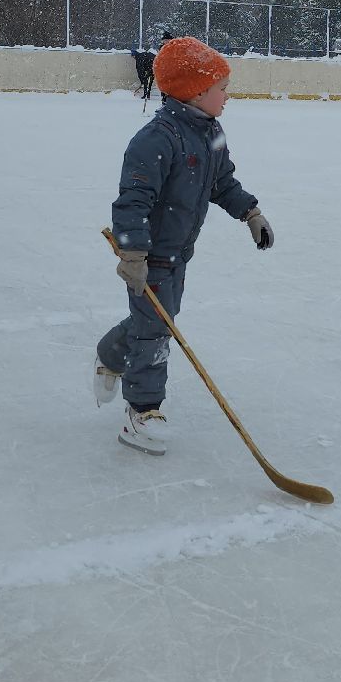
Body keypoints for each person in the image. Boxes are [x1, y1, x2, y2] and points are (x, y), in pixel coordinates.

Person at [94, 36, 273, 454]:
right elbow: (133, 201)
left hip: (178, 254)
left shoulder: (210, 132)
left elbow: (222, 182)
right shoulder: (157, 139)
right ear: (196, 91)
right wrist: (133, 253)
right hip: (149, 255)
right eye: (221, 88)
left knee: (158, 321)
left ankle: (109, 353)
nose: (227, 96)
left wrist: (250, 213)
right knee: (155, 333)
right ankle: (142, 413)